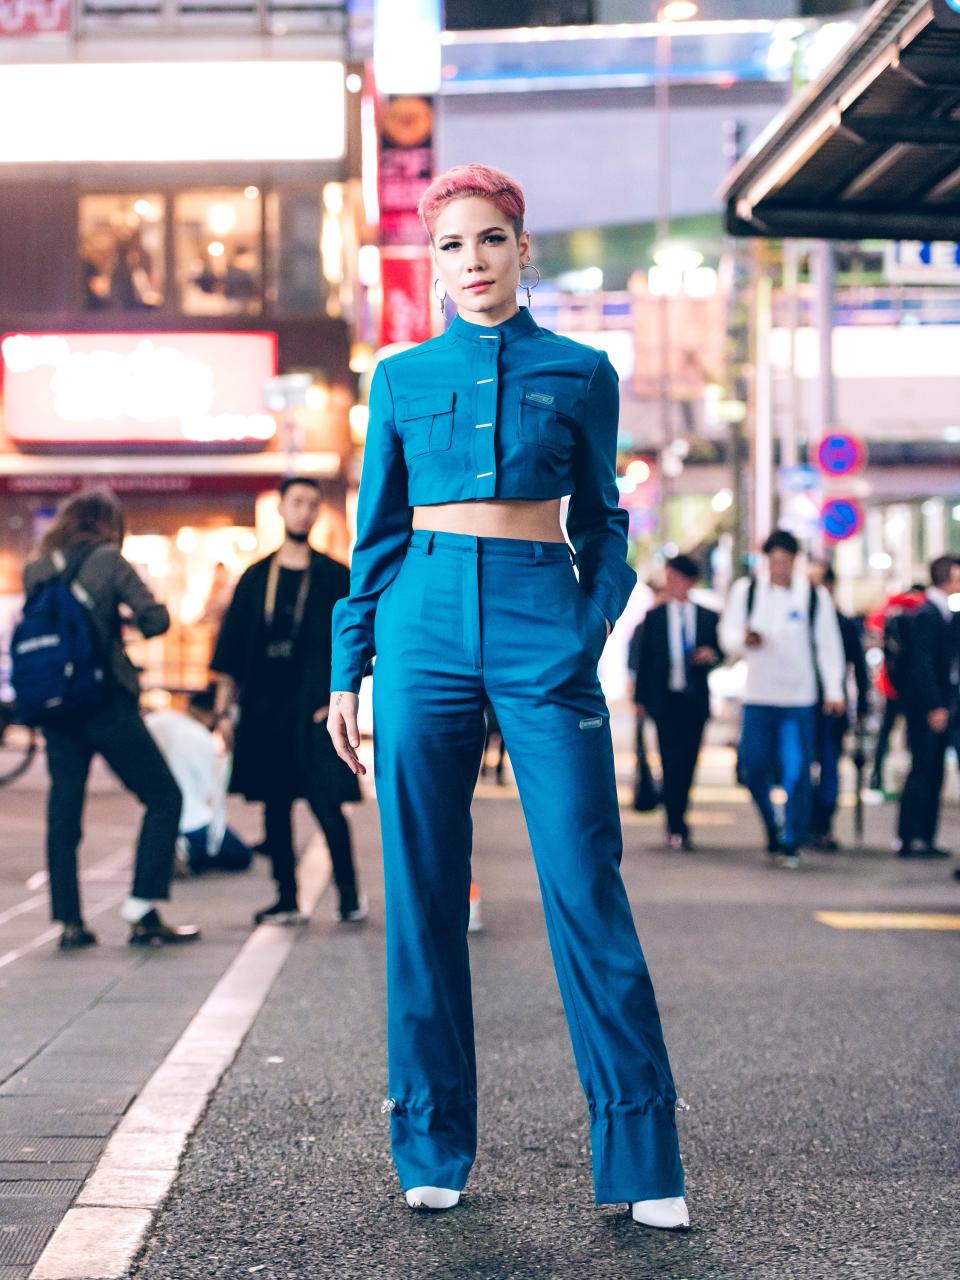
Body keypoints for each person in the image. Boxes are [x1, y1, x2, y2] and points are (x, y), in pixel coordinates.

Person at [327, 164, 689, 1230]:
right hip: (422, 622)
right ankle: (430, 1137)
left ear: (524, 249)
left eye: (490, 240)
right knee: (424, 893)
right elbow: (375, 539)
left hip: (543, 620)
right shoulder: (399, 377)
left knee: (587, 884)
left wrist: (585, 624)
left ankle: (641, 1152)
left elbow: (608, 517)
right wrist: (349, 668)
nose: (471, 262)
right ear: (432, 263)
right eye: (450, 247)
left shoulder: (582, 369)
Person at [22, 489, 199, 950]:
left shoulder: (37, 567)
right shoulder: (109, 561)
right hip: (105, 703)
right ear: (110, 524)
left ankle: (69, 922)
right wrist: (122, 615)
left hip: (56, 708)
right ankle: (142, 909)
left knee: (64, 812)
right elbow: (156, 620)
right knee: (163, 796)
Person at [211, 477, 365, 926]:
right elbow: (233, 651)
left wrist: (340, 697)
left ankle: (350, 897)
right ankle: (285, 898)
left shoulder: (336, 575)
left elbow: (357, 640)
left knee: (327, 809)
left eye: (313, 504)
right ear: (280, 507)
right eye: (297, 502)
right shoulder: (256, 577)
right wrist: (225, 711)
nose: (305, 511)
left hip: (315, 712)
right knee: (274, 808)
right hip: (265, 711)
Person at [719, 529, 846, 868]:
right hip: (759, 695)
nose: (779, 568)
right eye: (774, 561)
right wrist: (746, 640)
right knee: (753, 766)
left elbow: (829, 646)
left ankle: (791, 839)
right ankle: (772, 823)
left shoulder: (813, 597)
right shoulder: (746, 592)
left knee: (797, 770)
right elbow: (727, 635)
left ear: (794, 561)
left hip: (799, 699)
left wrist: (834, 690)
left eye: (785, 562)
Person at [635, 554, 722, 852]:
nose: (672, 584)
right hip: (665, 701)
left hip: (694, 701)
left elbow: (720, 651)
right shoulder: (654, 617)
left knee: (688, 763)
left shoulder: (707, 616)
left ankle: (679, 815)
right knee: (670, 761)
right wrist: (640, 700)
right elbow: (644, 661)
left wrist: (710, 657)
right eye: (668, 578)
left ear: (691, 582)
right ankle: (676, 824)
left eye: (677, 579)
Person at [144, 691, 252, 877]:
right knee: (242, 855)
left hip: (158, 814)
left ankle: (169, 847)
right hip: (193, 821)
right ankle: (187, 849)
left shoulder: (159, 720)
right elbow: (208, 792)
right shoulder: (203, 739)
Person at [896, 555, 960, 859]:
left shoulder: (945, 612)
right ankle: (914, 836)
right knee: (924, 768)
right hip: (927, 707)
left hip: (938, 704)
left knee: (932, 770)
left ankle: (922, 836)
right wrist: (935, 705)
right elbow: (922, 665)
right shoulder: (927, 613)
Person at [807, 562, 870, 851]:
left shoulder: (842, 623)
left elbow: (859, 667)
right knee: (803, 764)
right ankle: (807, 820)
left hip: (833, 706)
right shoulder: (802, 620)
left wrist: (863, 705)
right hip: (801, 703)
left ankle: (823, 822)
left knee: (829, 763)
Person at [866, 584, 926, 795]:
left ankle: (878, 777)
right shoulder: (921, 612)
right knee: (912, 735)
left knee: (887, 733)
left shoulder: (893, 611)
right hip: (910, 689)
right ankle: (908, 781)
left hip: (892, 685)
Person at [626, 580, 666, 813]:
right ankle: (648, 788)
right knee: (645, 745)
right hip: (647, 696)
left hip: (665, 699)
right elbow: (634, 664)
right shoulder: (645, 626)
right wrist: (636, 697)